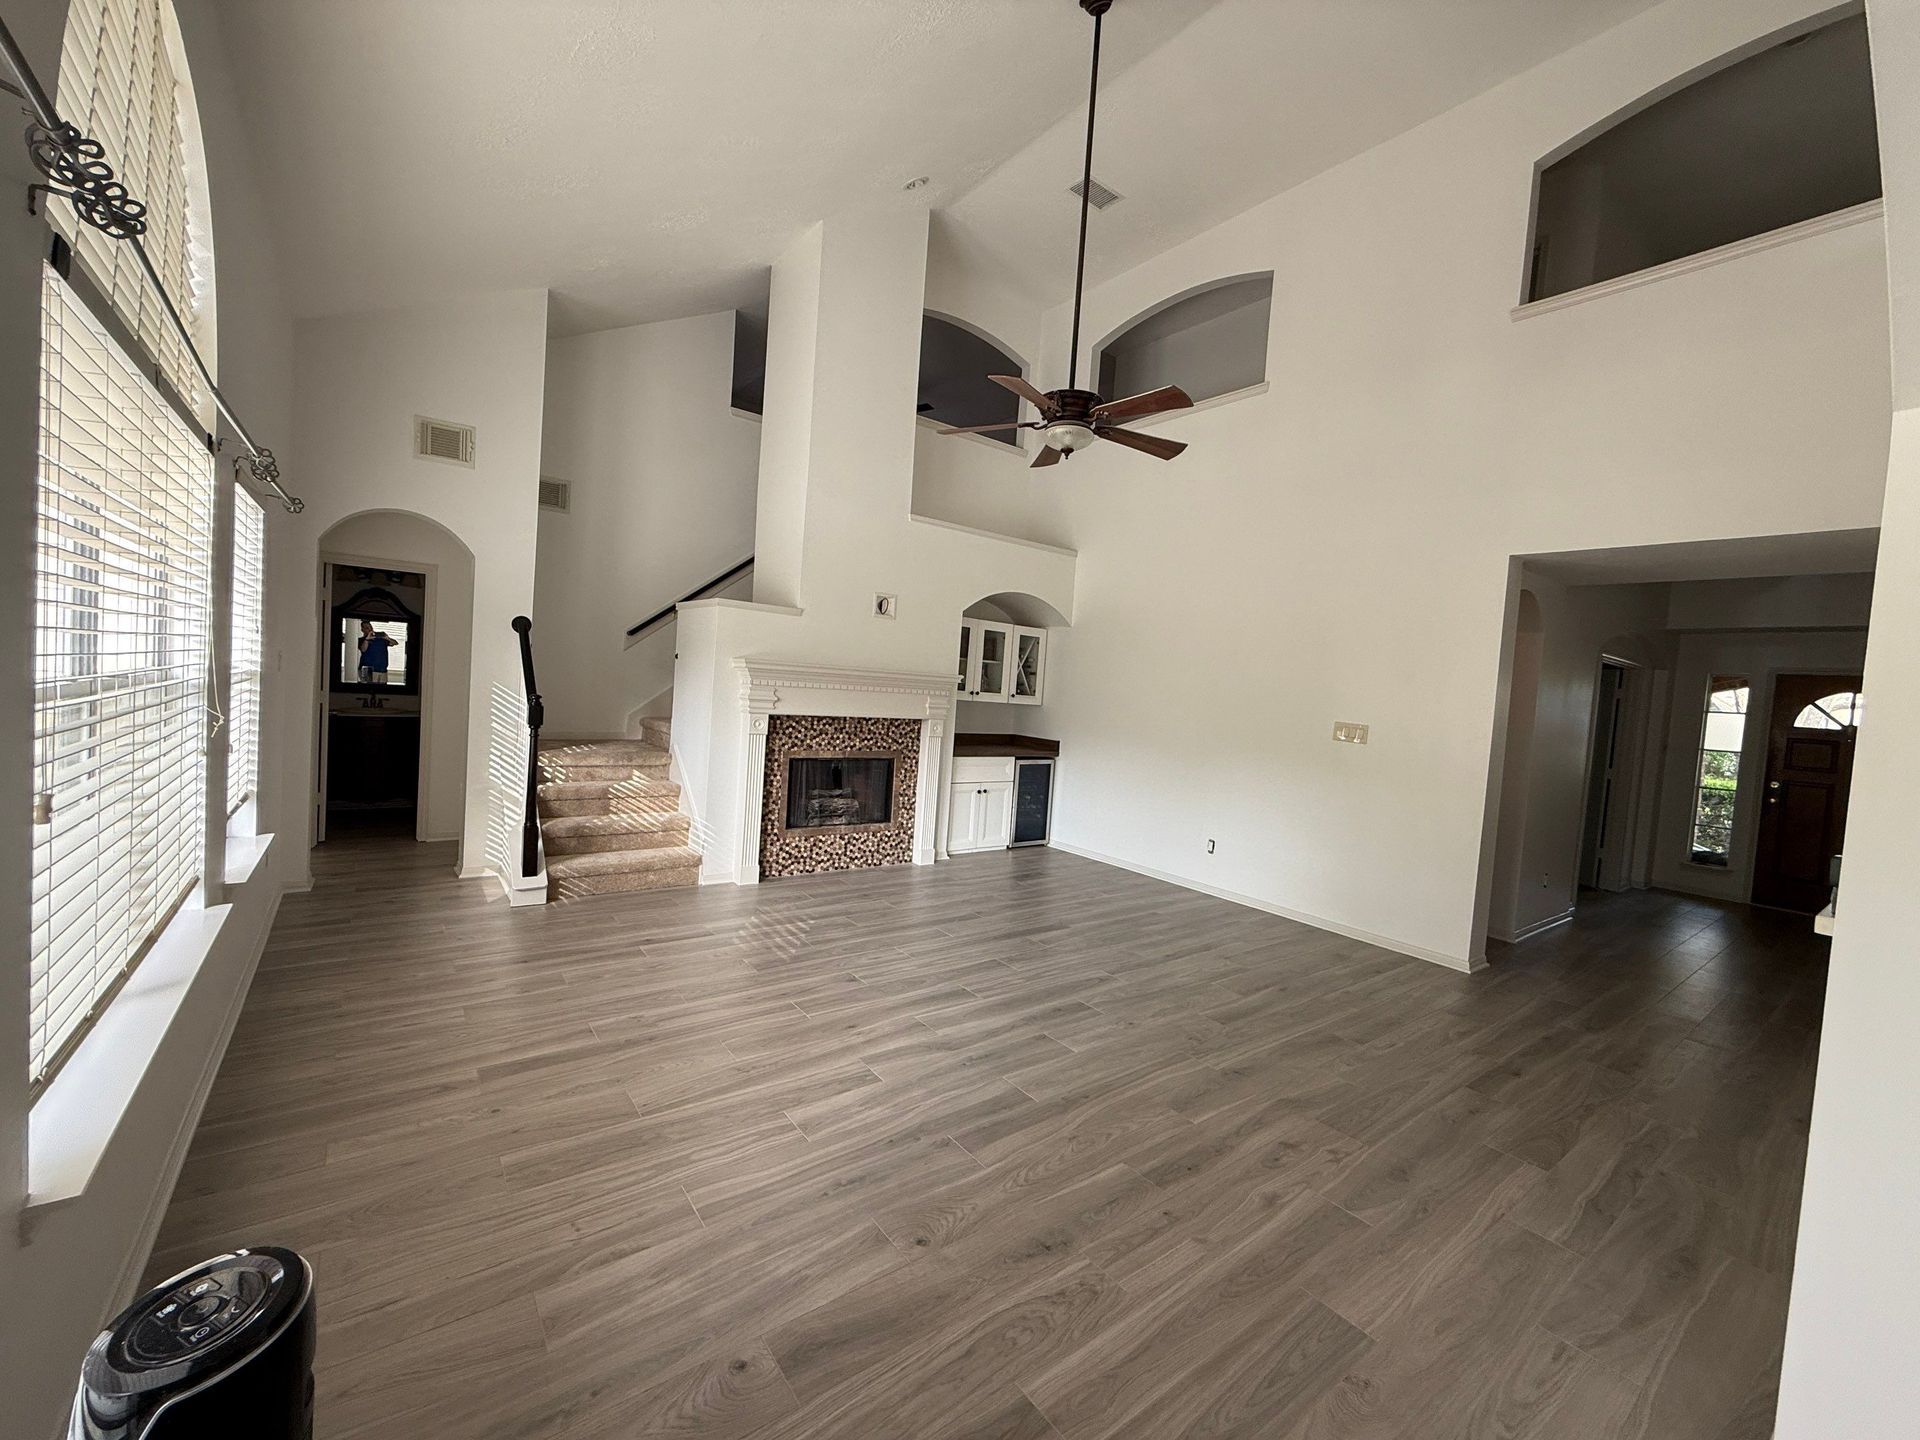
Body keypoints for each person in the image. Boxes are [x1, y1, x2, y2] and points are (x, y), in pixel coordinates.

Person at [357, 620, 395, 686]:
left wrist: (387, 638)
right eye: (367, 628)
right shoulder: (361, 640)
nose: (370, 629)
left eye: (370, 627)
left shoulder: (381, 639)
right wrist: (367, 639)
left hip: (382, 669)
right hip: (367, 669)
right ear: (362, 630)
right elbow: (363, 649)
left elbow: (394, 643)